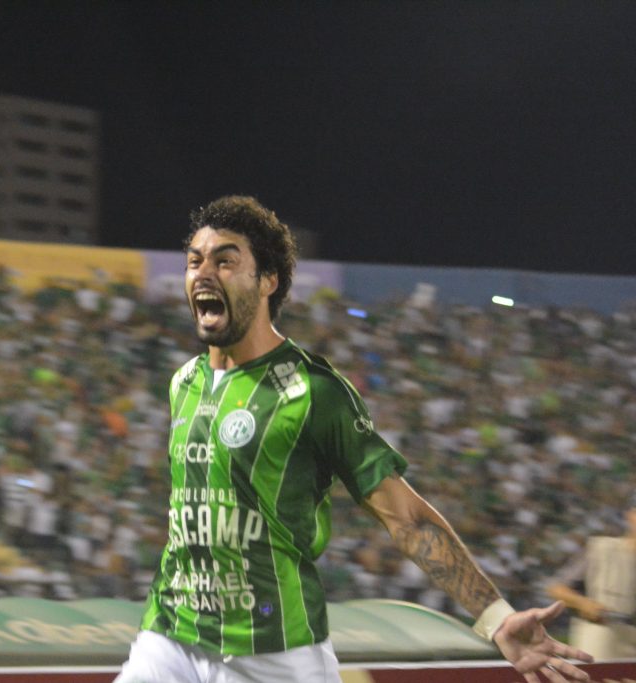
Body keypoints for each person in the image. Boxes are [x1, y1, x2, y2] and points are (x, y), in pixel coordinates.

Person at [115, 196, 593, 683]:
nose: (203, 273)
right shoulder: (184, 383)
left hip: (272, 651)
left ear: (267, 280)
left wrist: (497, 618)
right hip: (171, 634)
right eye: (195, 261)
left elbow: (406, 520)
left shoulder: (314, 391)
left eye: (225, 261)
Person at [546, 494, 636, 660]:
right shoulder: (601, 549)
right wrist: (583, 603)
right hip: (603, 637)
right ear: (630, 515)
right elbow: (556, 588)